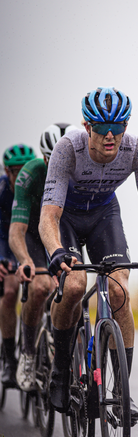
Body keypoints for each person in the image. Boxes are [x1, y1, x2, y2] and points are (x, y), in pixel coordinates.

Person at [38, 87, 138, 423]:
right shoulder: (68, 149)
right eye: (102, 127)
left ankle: (122, 392)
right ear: (87, 127)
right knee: (75, 286)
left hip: (103, 214)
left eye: (119, 126)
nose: (111, 136)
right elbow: (48, 216)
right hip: (66, 215)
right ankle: (59, 371)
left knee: (118, 289)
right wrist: (55, 252)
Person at [9, 124, 77, 392]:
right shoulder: (31, 174)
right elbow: (17, 230)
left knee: (74, 289)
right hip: (36, 238)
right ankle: (26, 353)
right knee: (40, 287)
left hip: (66, 235)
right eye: (52, 159)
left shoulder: (84, 171)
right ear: (44, 157)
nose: (59, 165)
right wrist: (24, 259)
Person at [0, 144, 36, 388]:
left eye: (25, 169)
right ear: (7, 172)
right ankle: (10, 360)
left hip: (30, 239)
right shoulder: (2, 191)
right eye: (15, 171)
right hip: (5, 242)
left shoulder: (38, 186)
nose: (20, 175)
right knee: (11, 291)